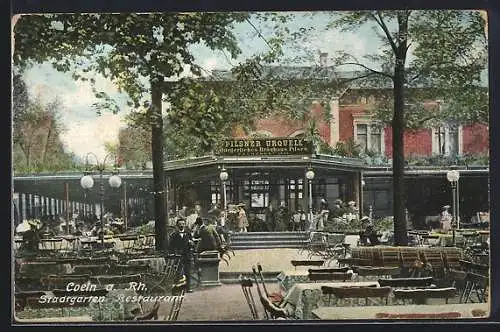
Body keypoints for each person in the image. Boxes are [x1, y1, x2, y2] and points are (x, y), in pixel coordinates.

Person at [168, 219, 194, 292]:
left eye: (183, 224)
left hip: (187, 255)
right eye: (180, 224)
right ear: (177, 225)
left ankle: (188, 288)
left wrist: (191, 243)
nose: (182, 225)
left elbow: (192, 244)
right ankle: (177, 288)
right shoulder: (174, 235)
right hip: (178, 256)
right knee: (178, 272)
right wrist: (174, 254)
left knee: (188, 272)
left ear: (185, 225)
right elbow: (171, 246)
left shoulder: (188, 234)